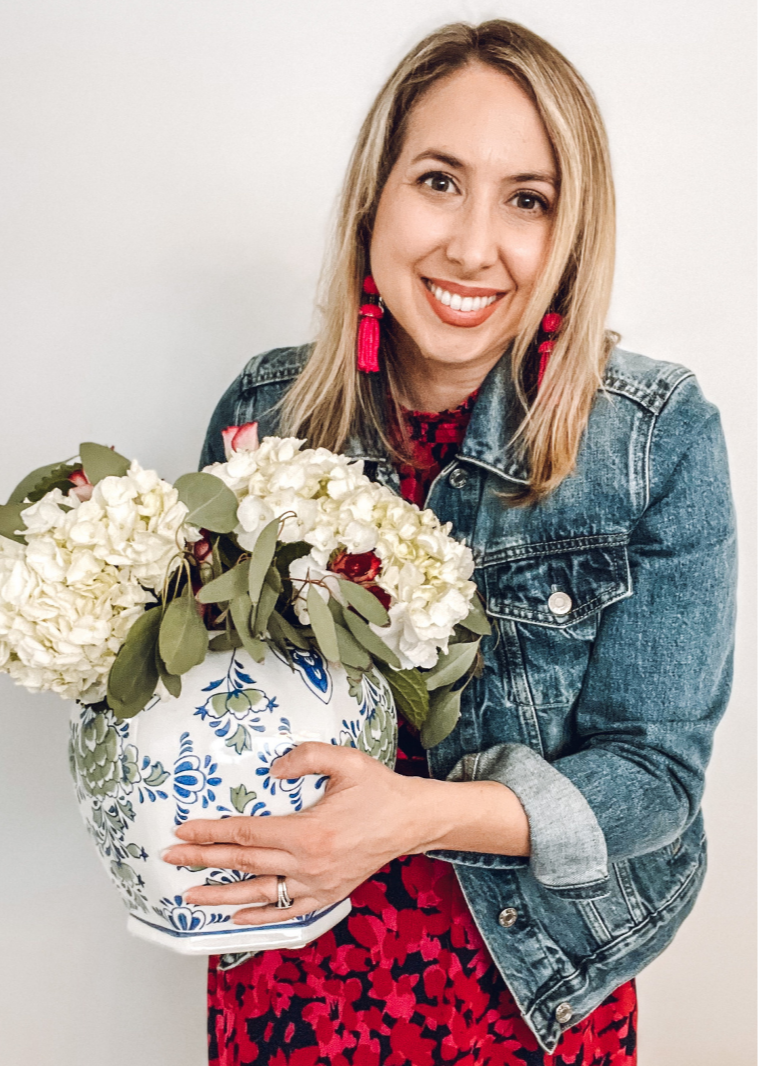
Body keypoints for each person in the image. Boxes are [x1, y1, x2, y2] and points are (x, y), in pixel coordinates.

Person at [162, 19, 736, 1064]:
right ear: (374, 196)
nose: (473, 246)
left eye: (527, 199)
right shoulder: (266, 409)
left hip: (525, 994)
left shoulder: (654, 439)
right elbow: (209, 706)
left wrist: (403, 817)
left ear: (569, 233)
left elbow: (651, 783)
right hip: (292, 975)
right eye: (437, 180)